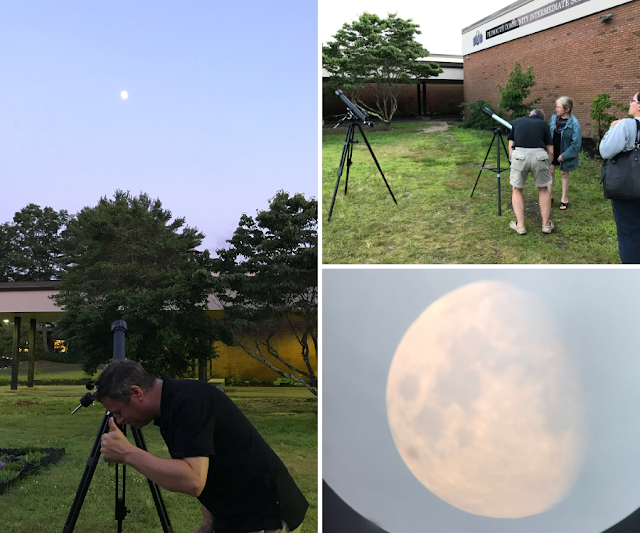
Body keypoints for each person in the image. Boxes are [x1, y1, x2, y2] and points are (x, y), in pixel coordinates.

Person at [95, 360, 308, 533]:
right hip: (236, 515)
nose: (119, 420)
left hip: (265, 515)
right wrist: (209, 522)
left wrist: (127, 452)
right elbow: (208, 462)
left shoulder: (189, 401)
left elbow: (193, 479)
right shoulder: (172, 405)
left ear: (137, 392)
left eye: (119, 411)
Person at [599, 91, 640, 263]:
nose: (630, 103)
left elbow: (605, 150)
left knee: (629, 232)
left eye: (633, 100)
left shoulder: (627, 125)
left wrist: (612, 129)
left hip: (629, 188)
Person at [507, 108, 555, 235]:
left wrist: (512, 158)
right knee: (543, 189)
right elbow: (550, 150)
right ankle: (546, 225)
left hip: (519, 155)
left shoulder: (517, 122)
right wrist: (548, 163)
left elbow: (511, 141)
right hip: (539, 156)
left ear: (529, 115)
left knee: (517, 189)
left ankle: (520, 225)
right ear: (541, 119)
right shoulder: (544, 125)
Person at [548, 96, 582, 210]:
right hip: (553, 150)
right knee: (550, 171)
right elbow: (549, 132)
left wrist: (565, 155)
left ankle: (564, 199)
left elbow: (576, 144)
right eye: (556, 107)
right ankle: (549, 196)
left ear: (567, 109)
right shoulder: (554, 117)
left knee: (564, 174)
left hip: (565, 151)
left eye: (559, 107)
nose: (556, 109)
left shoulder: (574, 124)